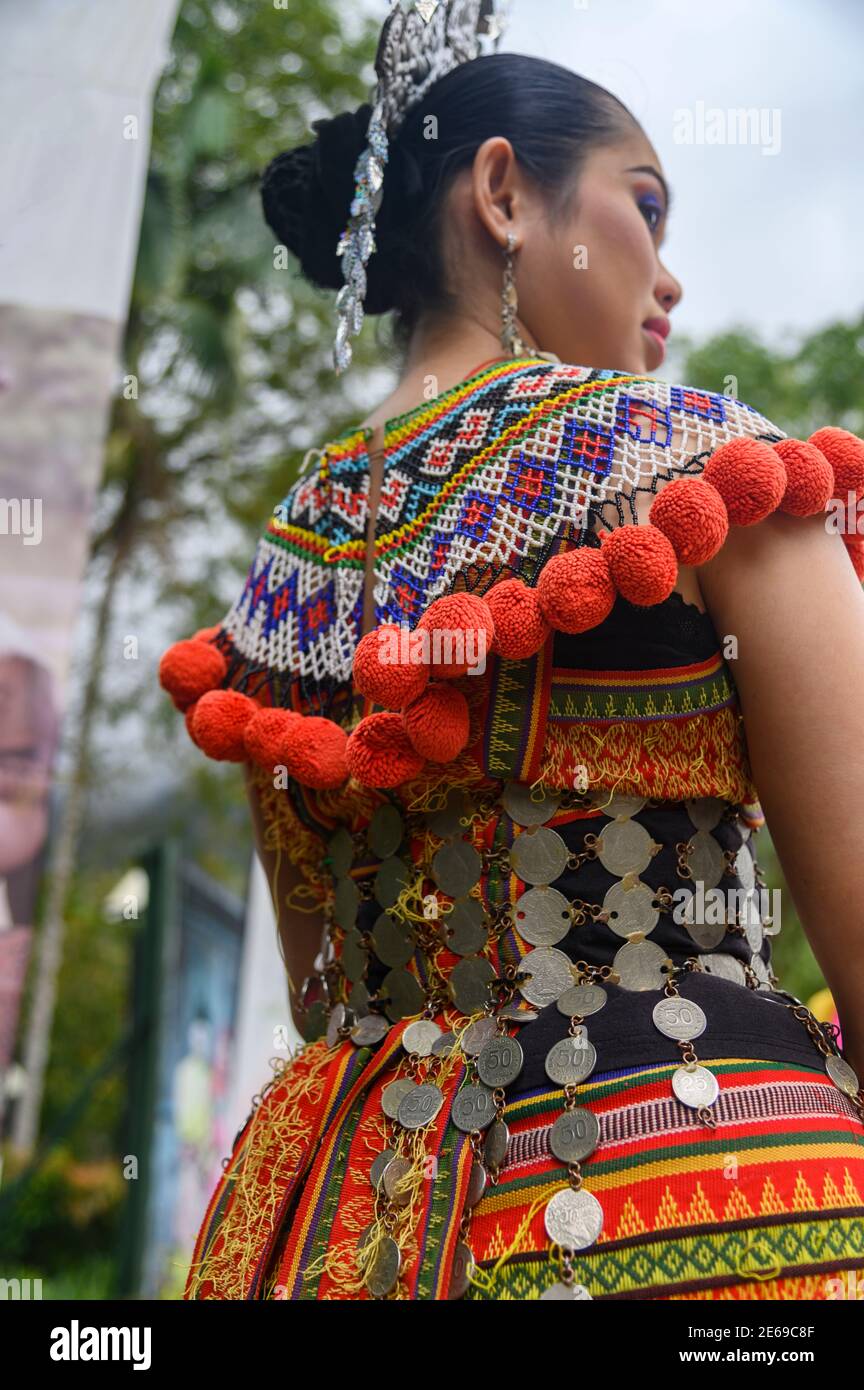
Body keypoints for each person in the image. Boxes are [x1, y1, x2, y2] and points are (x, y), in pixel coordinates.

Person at [159, 2, 864, 1301]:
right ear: (502, 193)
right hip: (692, 1195)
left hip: (339, 1215)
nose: (669, 273)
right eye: (645, 206)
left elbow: (320, 984)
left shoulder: (282, 570)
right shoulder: (711, 473)